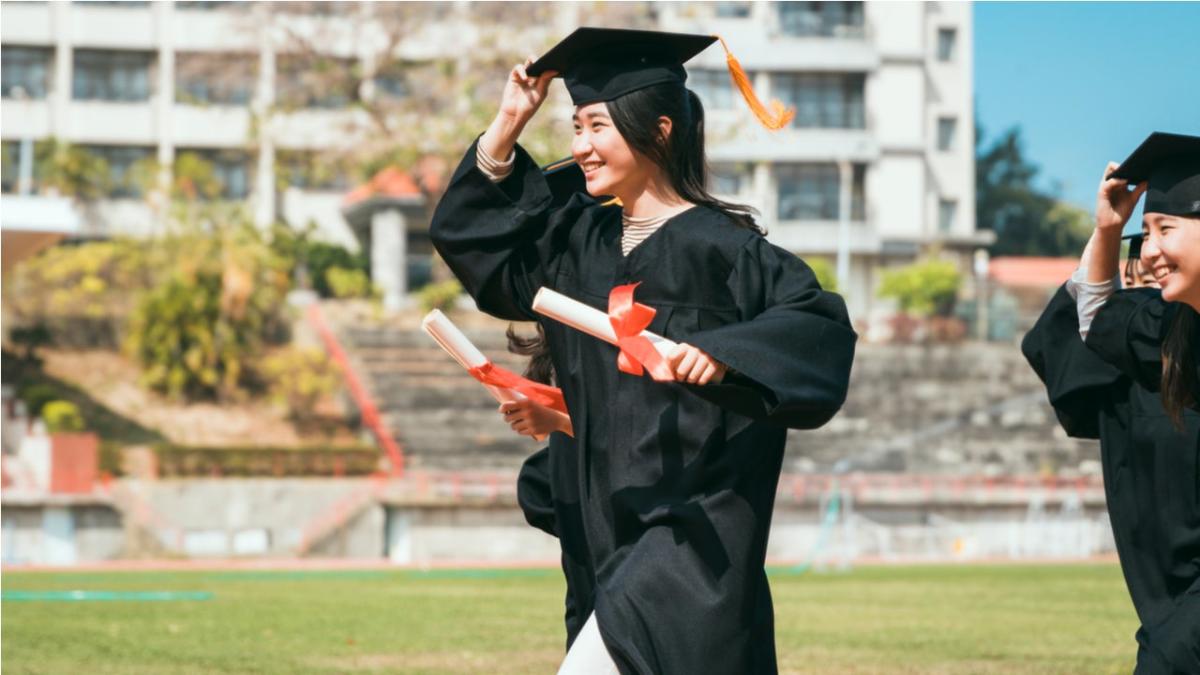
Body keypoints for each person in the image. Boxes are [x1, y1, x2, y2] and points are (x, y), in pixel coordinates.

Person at [431, 27, 857, 675]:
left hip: (687, 544)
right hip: (602, 540)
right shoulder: (578, 243)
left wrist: (725, 352)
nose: (579, 148)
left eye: (596, 126)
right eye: (575, 127)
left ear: (658, 130)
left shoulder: (724, 249)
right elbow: (481, 252)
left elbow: (817, 326)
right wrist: (508, 123)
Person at [1022, 131, 1200, 673]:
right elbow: (1095, 318)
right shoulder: (1174, 331)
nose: (1148, 252)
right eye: (1143, 233)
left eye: (1164, 229)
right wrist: (1107, 228)